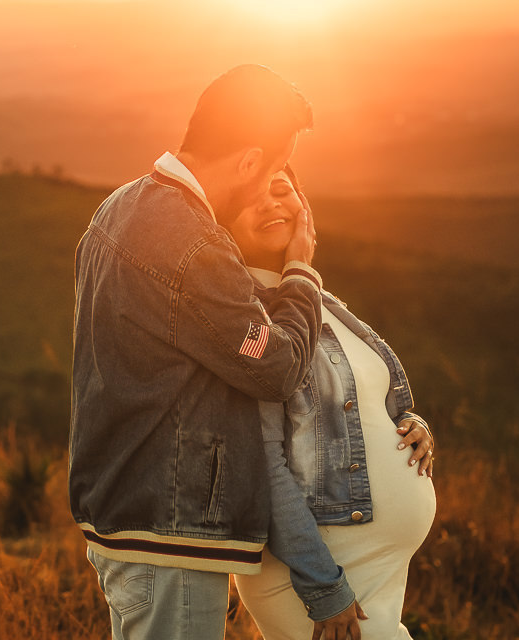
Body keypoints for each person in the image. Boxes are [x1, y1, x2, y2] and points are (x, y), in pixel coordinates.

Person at [69, 65, 364, 640]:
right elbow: (273, 366)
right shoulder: (194, 245)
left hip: (133, 514)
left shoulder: (123, 204)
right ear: (250, 160)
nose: (276, 183)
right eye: (275, 168)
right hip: (165, 533)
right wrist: (300, 272)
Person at [229, 165, 437, 639]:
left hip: (378, 567)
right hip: (316, 571)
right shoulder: (246, 316)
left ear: (304, 204)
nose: (270, 203)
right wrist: (324, 587)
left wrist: (412, 424)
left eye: (280, 189)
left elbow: (369, 403)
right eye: (249, 197)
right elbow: (263, 464)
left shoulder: (324, 303)